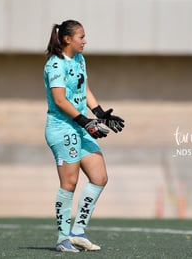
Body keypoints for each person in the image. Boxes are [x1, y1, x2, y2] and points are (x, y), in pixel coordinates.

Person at [43, 19, 125, 253]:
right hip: (62, 128)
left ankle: (77, 232)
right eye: (81, 37)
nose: (85, 41)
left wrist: (100, 114)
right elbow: (59, 100)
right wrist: (85, 121)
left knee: (99, 177)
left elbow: (84, 90)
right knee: (69, 183)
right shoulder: (55, 65)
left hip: (80, 126)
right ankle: (62, 239)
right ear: (67, 39)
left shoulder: (79, 59)